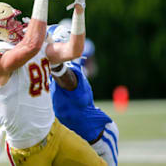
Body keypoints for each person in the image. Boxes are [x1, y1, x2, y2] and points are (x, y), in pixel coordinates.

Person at [0, 0, 106, 166]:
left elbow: (74, 50)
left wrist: (79, 10)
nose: (16, 24)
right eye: (9, 23)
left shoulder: (28, 45)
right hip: (27, 150)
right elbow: (32, 45)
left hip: (55, 132)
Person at [47, 25, 119, 166]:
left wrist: (54, 63)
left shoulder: (70, 70)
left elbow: (67, 80)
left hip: (97, 139)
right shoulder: (46, 72)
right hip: (71, 142)